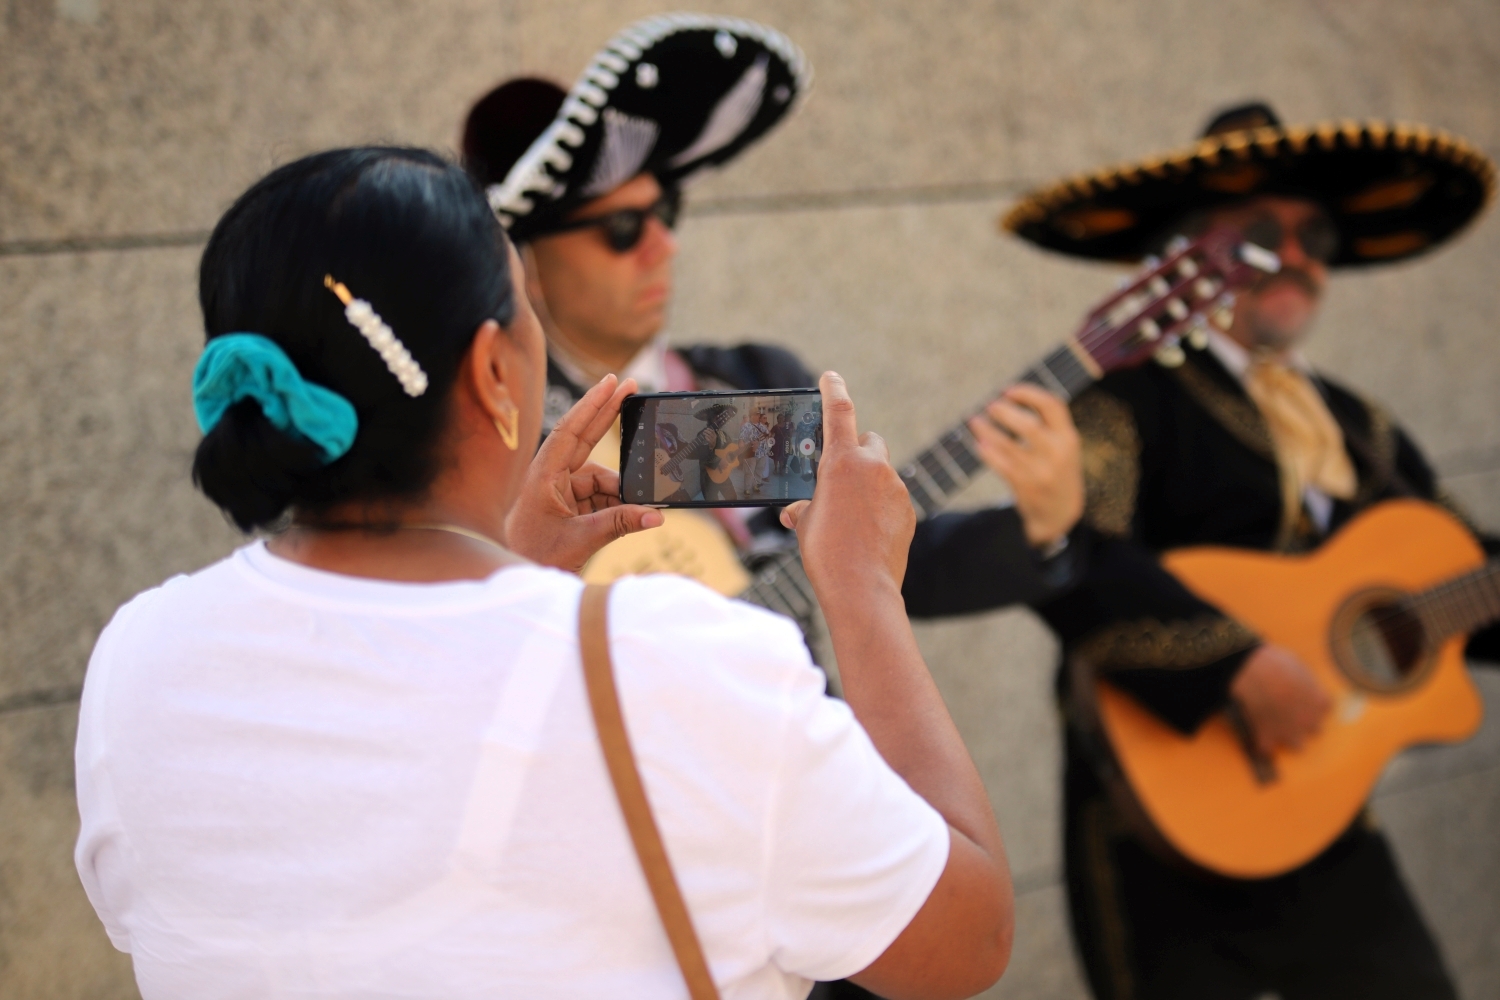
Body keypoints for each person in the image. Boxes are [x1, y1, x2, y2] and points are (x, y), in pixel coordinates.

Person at [73, 146, 1014, 1000]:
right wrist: (862, 591)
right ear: (492, 370)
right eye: (524, 303)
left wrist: (513, 575)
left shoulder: (139, 656)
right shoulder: (681, 663)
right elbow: (966, 938)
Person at [997, 102, 1500, 999]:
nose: (1300, 254)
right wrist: (1234, 663)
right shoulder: (1125, 401)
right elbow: (1066, 552)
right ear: (1195, 256)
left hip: (1330, 823)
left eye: (1317, 235)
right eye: (1265, 232)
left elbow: (1460, 576)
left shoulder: (1360, 426)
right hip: (1158, 832)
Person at [464, 14, 1090, 641]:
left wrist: (1041, 524)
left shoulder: (742, 384)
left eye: (666, 212)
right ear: (528, 261)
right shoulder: (504, 439)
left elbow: (887, 563)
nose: (664, 245)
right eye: (622, 229)